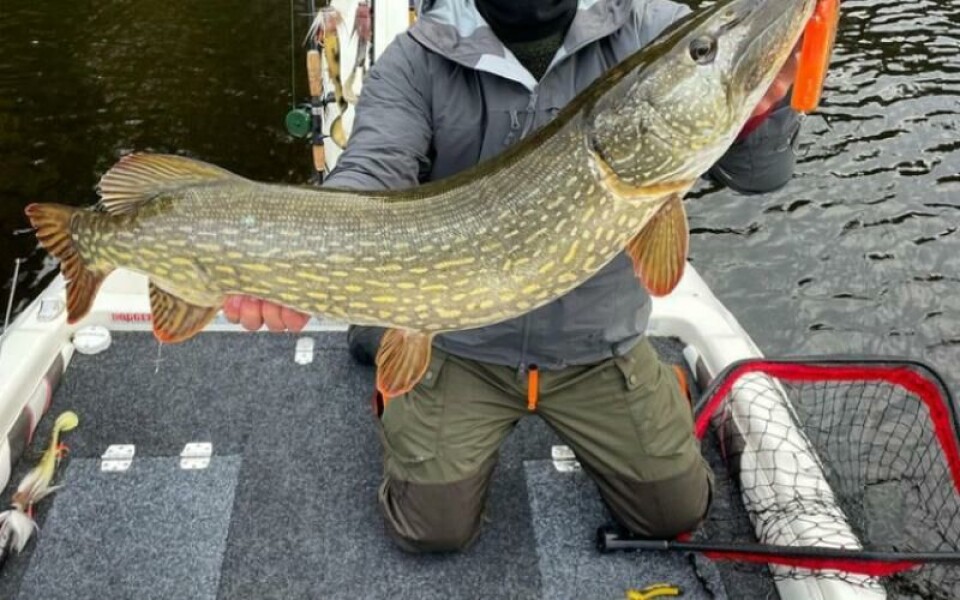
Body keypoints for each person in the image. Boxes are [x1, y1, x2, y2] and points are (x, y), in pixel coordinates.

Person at [224, 0, 802, 553]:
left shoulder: (649, 27)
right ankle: (393, 350)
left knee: (675, 511)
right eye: (703, 52)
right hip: (465, 344)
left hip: (596, 346)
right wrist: (283, 255)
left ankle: (650, 391)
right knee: (430, 528)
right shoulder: (416, 59)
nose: (706, 51)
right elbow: (372, 169)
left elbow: (757, 176)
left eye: (701, 51)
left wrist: (769, 108)